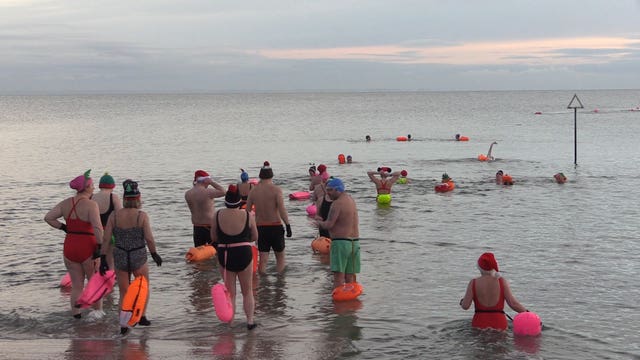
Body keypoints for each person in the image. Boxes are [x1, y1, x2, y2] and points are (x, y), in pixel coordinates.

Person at [100, 179, 162, 332]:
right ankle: (141, 316)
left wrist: (102, 258)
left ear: (124, 199)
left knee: (124, 292)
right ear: (138, 199)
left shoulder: (114, 216)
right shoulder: (141, 216)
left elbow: (106, 238)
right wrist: (154, 254)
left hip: (120, 255)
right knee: (144, 287)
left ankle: (123, 325)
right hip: (138, 256)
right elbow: (149, 238)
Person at [44, 170, 104, 319]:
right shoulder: (91, 205)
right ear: (87, 187)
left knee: (77, 285)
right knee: (94, 283)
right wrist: (101, 248)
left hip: (70, 247)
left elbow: (48, 217)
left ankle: (76, 317)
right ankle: (97, 316)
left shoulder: (65, 203)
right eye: (92, 185)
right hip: (88, 247)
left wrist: (64, 227)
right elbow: (97, 228)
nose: (94, 188)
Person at [210, 184, 259, 330]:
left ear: (226, 201)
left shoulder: (217, 215)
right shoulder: (247, 215)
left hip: (225, 254)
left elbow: (213, 237)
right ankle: (250, 321)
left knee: (230, 292)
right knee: (247, 291)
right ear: (239, 201)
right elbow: (255, 236)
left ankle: (230, 322)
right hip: (243, 252)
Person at [459, 252, 528, 331]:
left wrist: (462, 301)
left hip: (479, 323)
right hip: (499, 323)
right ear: (493, 267)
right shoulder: (501, 282)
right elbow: (513, 304)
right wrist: (527, 313)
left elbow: (465, 306)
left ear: (479, 267)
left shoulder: (473, 283)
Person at [245, 161, 292, 273]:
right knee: (280, 258)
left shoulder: (253, 191)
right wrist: (288, 225)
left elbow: (247, 211)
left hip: (260, 228)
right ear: (271, 176)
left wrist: (248, 229)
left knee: (263, 260)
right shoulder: (276, 190)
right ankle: (280, 285)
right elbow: (281, 209)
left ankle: (264, 286)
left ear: (260, 176)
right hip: (275, 226)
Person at [315, 178, 360, 289]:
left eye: (330, 190)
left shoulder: (337, 204)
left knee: (338, 277)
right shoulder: (351, 200)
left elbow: (329, 225)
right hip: (355, 243)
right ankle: (349, 303)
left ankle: (336, 304)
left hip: (341, 243)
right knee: (350, 277)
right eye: (327, 190)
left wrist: (318, 222)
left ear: (338, 190)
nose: (328, 193)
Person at [185, 169, 225, 247]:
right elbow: (223, 191)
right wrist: (212, 182)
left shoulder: (188, 193)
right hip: (209, 227)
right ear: (205, 180)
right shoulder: (208, 192)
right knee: (216, 252)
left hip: (197, 227)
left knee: (199, 253)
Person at [92, 172, 123, 269]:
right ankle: (111, 282)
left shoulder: (91, 197)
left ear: (100, 186)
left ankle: (96, 281)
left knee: (96, 262)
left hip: (93, 234)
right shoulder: (114, 197)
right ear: (112, 186)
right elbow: (120, 216)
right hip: (109, 235)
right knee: (111, 263)